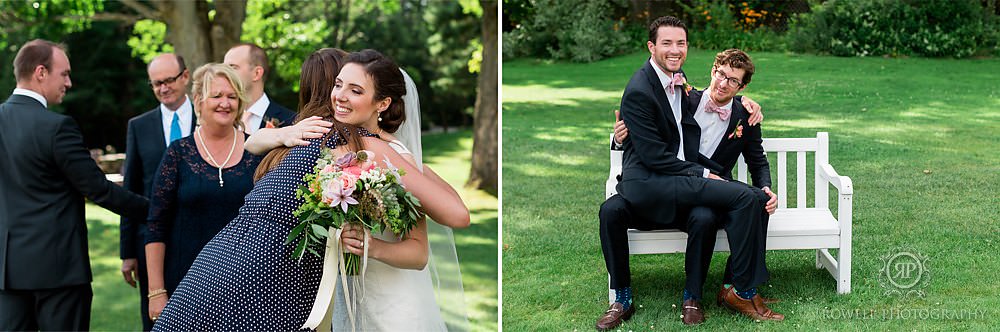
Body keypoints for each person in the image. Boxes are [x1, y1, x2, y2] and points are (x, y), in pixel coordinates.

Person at [149, 49, 469, 330]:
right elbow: (255, 141)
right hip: (253, 272)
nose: (340, 95)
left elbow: (454, 215)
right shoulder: (325, 134)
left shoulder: (349, 141)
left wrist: (411, 168)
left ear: (382, 102)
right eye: (338, 84)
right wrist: (285, 133)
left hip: (237, 266)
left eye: (355, 89)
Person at [595, 16, 782, 331]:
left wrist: (766, 186)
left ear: (742, 87)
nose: (723, 83)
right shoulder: (684, 94)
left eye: (733, 81)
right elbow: (650, 138)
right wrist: (619, 137)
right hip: (669, 182)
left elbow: (757, 159)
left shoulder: (740, 112)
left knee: (751, 199)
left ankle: (722, 291)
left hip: (692, 190)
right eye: (720, 74)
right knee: (610, 210)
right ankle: (622, 298)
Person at [0, 39, 149, 331]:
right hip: (59, 272)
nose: (69, 82)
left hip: (7, 272)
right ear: (41, 72)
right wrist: (158, 209)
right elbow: (99, 190)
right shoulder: (57, 127)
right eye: (64, 74)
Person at [143, 63, 264, 322]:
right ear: (198, 100)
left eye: (232, 96)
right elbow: (156, 225)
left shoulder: (256, 150)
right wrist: (156, 292)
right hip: (184, 283)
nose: (225, 103)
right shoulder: (178, 153)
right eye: (217, 96)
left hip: (241, 285)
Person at [120, 53, 196, 331]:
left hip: (200, 238)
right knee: (157, 321)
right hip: (151, 243)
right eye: (155, 84)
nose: (163, 88)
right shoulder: (138, 126)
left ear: (185, 77)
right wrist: (127, 252)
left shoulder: (208, 116)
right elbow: (131, 189)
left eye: (168, 80)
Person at [223, 43, 295, 134]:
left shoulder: (290, 122)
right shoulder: (218, 117)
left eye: (232, 67)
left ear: (257, 73)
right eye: (224, 69)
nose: (224, 74)